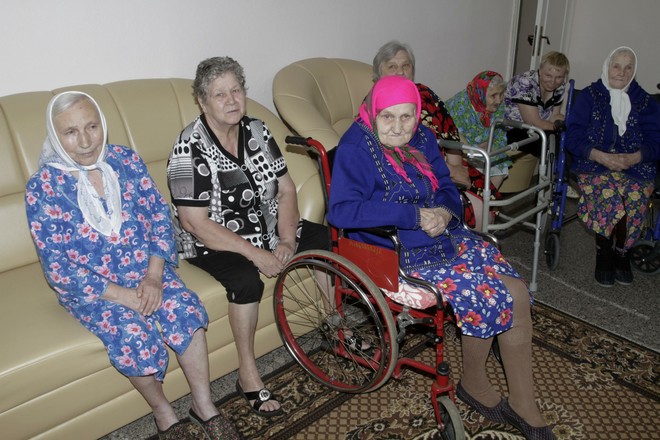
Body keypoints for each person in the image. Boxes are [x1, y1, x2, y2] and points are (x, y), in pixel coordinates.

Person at [327, 75, 556, 440]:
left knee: (515, 292)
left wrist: (446, 212)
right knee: (485, 294)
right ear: (373, 112)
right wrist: (413, 215)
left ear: (417, 114)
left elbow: (447, 186)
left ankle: (522, 401)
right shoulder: (356, 147)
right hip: (393, 250)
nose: (398, 127)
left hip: (444, 237)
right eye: (388, 117)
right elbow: (341, 211)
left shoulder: (422, 137)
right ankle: (475, 383)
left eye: (407, 116)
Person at [25, 91, 238, 440]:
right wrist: (122, 296)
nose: (86, 141)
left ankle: (204, 405)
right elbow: (57, 266)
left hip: (147, 271)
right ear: (55, 135)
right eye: (71, 132)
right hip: (97, 289)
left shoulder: (125, 160)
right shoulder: (42, 187)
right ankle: (164, 413)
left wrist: (154, 276)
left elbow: (159, 216)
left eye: (92, 126)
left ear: (102, 125)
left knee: (184, 310)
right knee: (133, 335)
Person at [166, 57, 330, 417]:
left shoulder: (258, 130)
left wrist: (286, 240)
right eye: (219, 94)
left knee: (323, 237)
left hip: (267, 228)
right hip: (213, 240)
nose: (231, 100)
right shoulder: (188, 146)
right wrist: (257, 255)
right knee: (245, 280)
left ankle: (336, 325)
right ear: (202, 101)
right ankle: (248, 374)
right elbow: (194, 223)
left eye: (236, 90)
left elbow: (286, 189)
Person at [372, 40, 502, 229]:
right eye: (392, 67)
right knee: (473, 209)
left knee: (486, 195)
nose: (400, 72)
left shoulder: (425, 94)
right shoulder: (374, 103)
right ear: (378, 74)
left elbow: (450, 132)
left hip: (444, 164)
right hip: (410, 175)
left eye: (406, 66)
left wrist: (456, 166)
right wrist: (449, 171)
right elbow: (393, 153)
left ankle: (471, 241)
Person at [565, 46, 660, 287]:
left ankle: (622, 253)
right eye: (616, 66)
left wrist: (636, 157)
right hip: (594, 164)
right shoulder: (589, 97)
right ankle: (604, 253)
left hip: (636, 167)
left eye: (628, 67)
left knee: (634, 202)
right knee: (609, 198)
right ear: (608, 67)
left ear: (634, 71)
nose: (622, 72)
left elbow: (656, 140)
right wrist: (599, 156)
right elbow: (573, 137)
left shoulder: (645, 102)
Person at [446, 70, 511, 191]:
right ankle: (479, 198)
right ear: (480, 93)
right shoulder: (458, 106)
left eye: (501, 94)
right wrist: (476, 150)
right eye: (493, 96)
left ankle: (489, 197)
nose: (499, 100)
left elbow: (500, 134)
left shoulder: (499, 106)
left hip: (488, 150)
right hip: (463, 153)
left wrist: (490, 148)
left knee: (501, 166)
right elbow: (453, 136)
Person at [505, 51, 570, 157]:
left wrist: (571, 123)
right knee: (554, 141)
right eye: (548, 75)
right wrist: (562, 128)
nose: (553, 81)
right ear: (540, 71)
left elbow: (554, 116)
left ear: (564, 76)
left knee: (572, 138)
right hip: (513, 129)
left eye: (559, 77)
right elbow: (534, 123)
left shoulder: (560, 86)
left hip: (537, 129)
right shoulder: (524, 82)